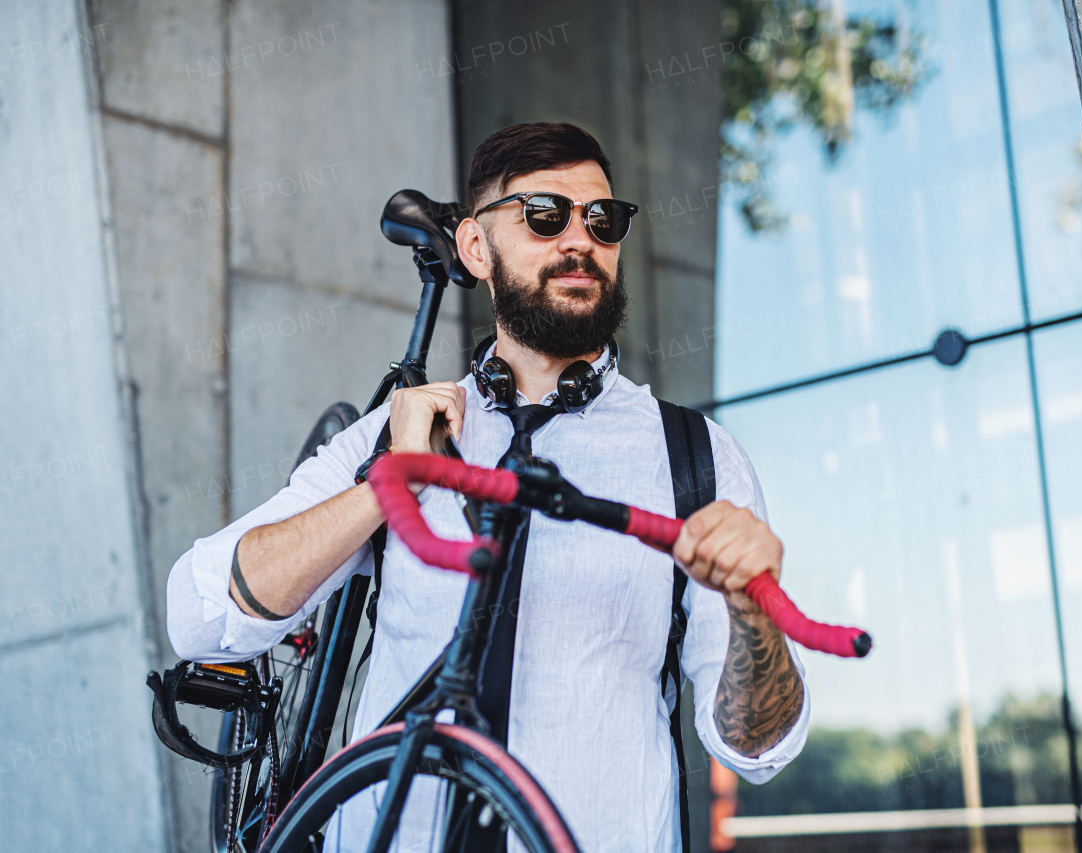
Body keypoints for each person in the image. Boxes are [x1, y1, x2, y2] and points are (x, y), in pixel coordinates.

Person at [166, 122, 810, 851]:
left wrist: (751, 611)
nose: (579, 240)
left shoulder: (695, 457)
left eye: (603, 219)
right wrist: (387, 486)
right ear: (476, 247)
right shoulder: (399, 431)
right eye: (544, 215)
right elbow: (198, 612)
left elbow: (759, 750)